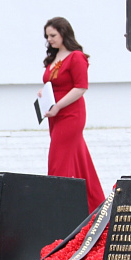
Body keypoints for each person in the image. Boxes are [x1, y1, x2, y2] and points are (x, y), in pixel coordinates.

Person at [40, 16, 105, 213]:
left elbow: (81, 87)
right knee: (78, 158)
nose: (49, 39)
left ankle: (59, 204)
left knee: (59, 157)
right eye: (47, 36)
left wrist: (58, 105)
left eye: (53, 35)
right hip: (56, 114)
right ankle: (95, 206)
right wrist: (45, 95)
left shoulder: (76, 57)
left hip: (70, 114)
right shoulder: (54, 58)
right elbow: (53, 84)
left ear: (63, 33)